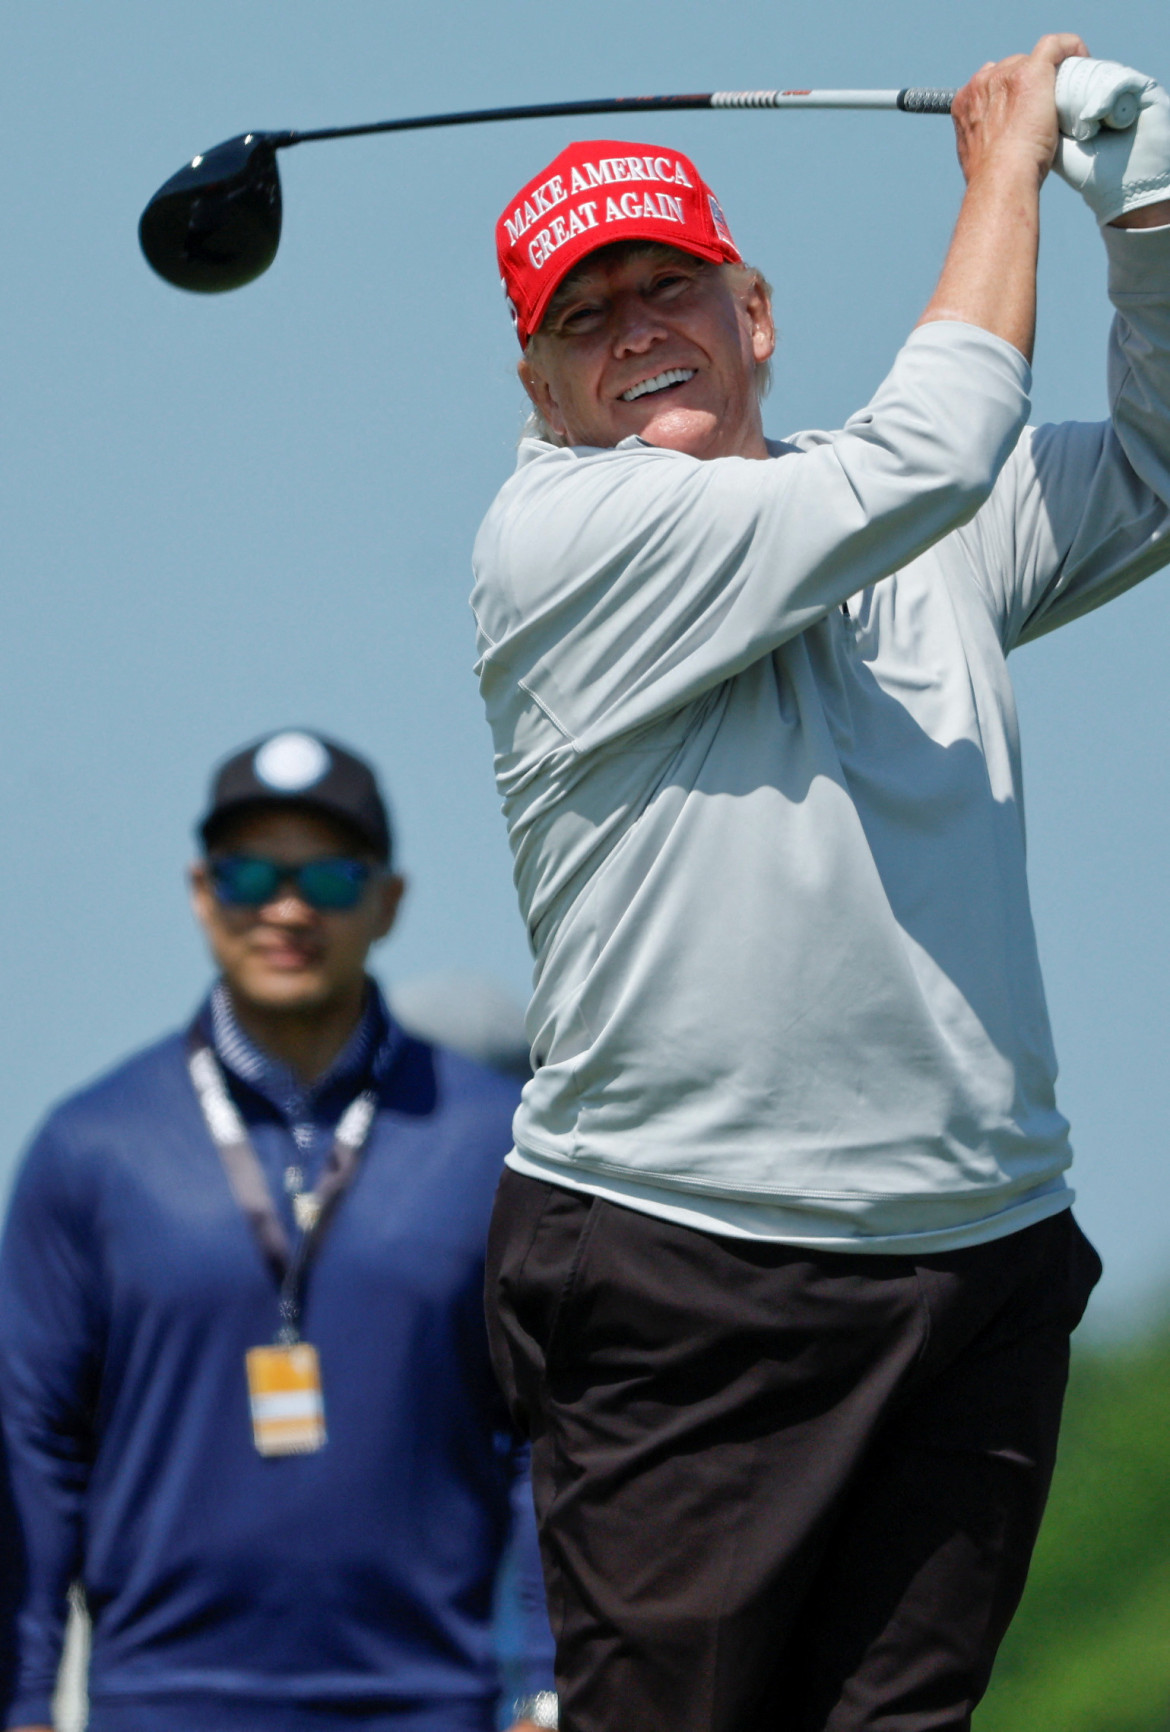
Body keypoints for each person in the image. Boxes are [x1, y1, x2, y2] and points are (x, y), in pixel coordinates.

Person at [470, 37, 1170, 1732]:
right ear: (544, 389)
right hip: (690, 1268)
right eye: (588, 315)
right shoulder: (562, 539)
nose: (639, 331)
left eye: (672, 286)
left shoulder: (899, 519)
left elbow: (1151, 461)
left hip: (973, 1257)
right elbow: (932, 451)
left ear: (755, 311)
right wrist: (1006, 170)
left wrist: (1144, 214)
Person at [0, 729, 554, 1732]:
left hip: (435, 1701)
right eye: (250, 872)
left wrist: (545, 1684)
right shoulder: (92, 1150)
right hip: (160, 1704)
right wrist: (28, 1697)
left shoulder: (495, 1147)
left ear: (388, 900)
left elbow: (547, 1439)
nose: (288, 908)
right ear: (201, 891)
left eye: (331, 878)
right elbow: (34, 1448)